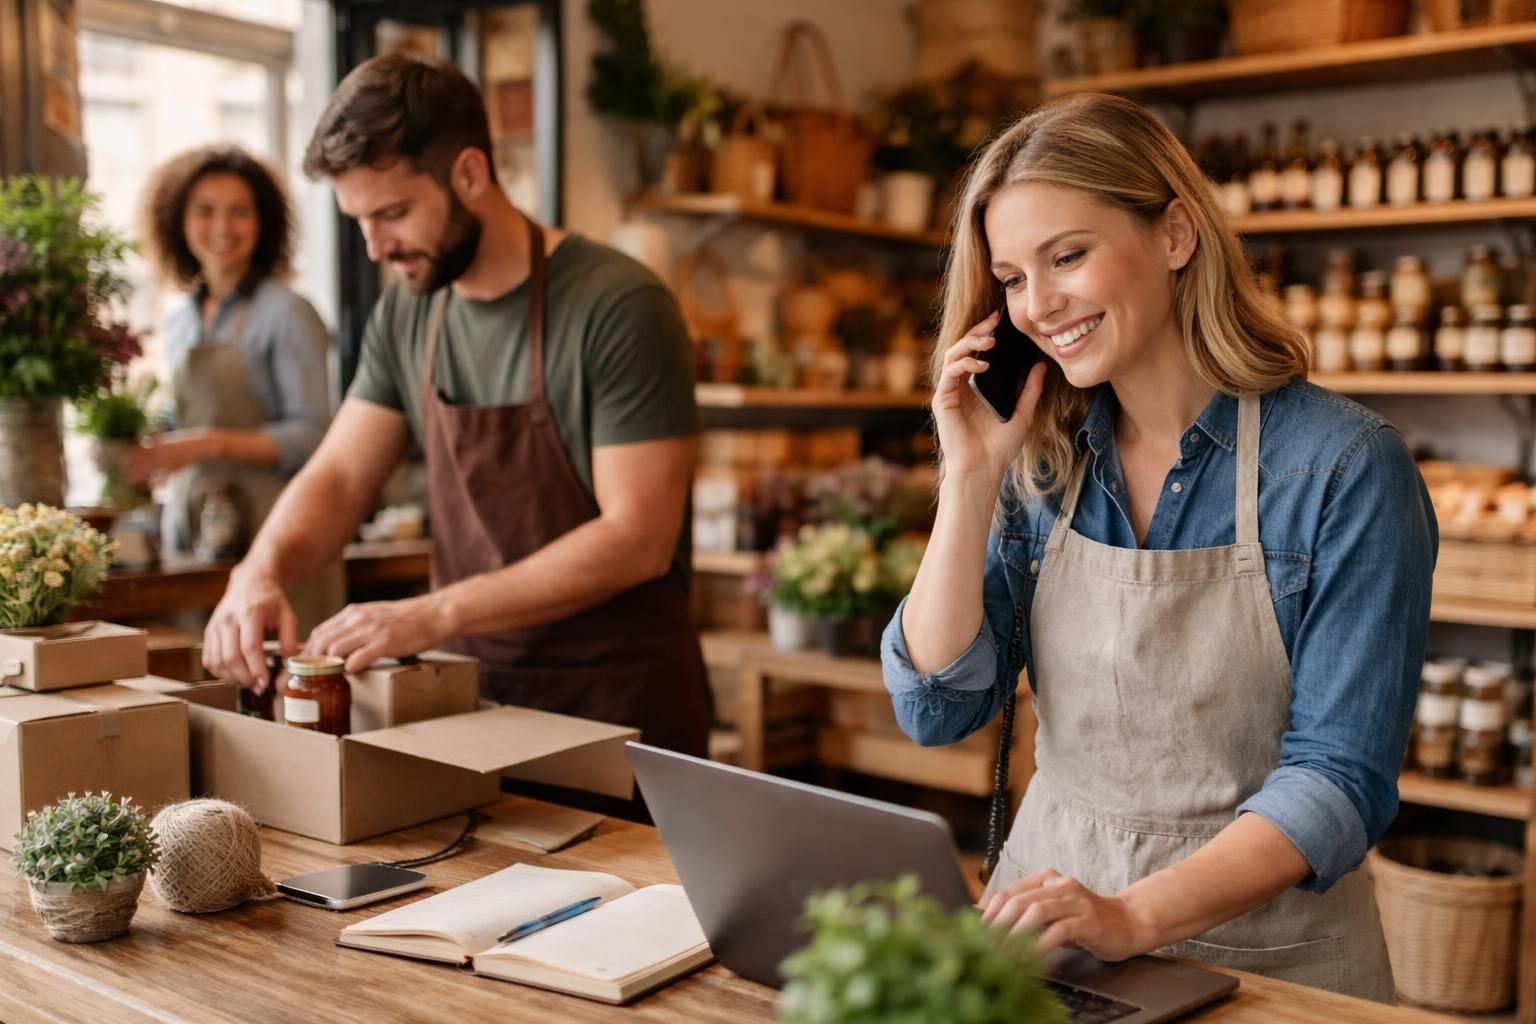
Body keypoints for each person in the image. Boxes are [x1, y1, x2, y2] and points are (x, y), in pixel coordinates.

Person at [882, 92, 1435, 1003]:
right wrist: (972, 477)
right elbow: (936, 706)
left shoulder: (1342, 468)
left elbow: (1340, 781)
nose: (1038, 306)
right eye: (1013, 278)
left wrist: (1133, 915)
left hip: (1270, 968)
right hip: (1048, 950)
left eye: (1068, 256)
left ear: (1176, 234)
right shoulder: (1043, 466)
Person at [200, 52, 712, 790]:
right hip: (471, 708)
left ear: (470, 173)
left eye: (393, 213)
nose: (376, 247)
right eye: (359, 221)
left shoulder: (618, 305)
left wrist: (427, 615)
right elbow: (341, 473)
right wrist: (258, 572)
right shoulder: (410, 309)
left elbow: (638, 536)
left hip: (617, 712)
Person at [129, 146, 344, 635]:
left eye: (239, 212)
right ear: (179, 221)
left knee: (283, 689)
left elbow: (313, 438)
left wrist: (205, 443)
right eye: (205, 210)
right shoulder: (181, 319)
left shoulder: (288, 312)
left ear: (263, 223)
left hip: (275, 530)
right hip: (195, 533)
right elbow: (182, 416)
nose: (222, 227)